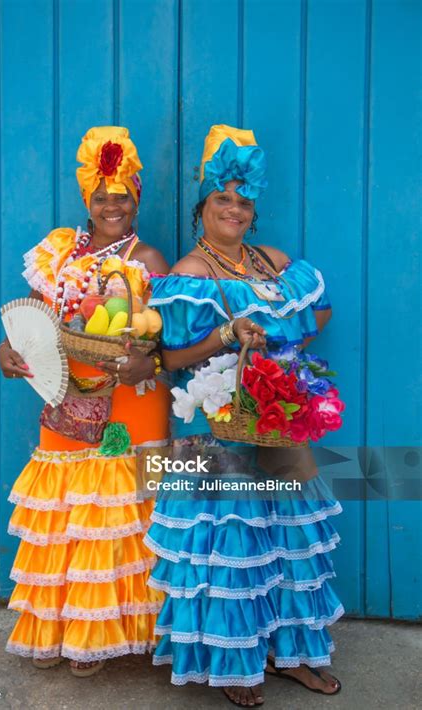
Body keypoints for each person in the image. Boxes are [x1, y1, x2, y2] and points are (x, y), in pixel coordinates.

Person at [144, 125, 343, 706]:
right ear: (201, 206)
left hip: (276, 423)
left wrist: (279, 360)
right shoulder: (190, 274)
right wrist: (229, 338)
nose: (233, 208)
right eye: (221, 198)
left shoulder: (275, 261)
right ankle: (237, 664)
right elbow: (169, 357)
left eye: (243, 200)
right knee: (233, 550)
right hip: (217, 433)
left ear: (253, 210)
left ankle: (293, 656)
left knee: (290, 544)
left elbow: (317, 315)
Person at [0, 126, 170, 676]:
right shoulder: (57, 254)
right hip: (68, 397)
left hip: (131, 398)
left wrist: (152, 359)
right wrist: (8, 346)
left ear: (135, 199)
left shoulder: (148, 257)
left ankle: (116, 631)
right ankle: (71, 627)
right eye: (101, 197)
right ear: (87, 201)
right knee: (71, 511)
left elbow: (165, 335)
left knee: (122, 510)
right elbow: (35, 320)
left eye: (121, 197)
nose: (111, 206)